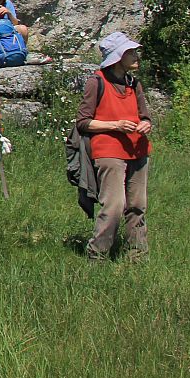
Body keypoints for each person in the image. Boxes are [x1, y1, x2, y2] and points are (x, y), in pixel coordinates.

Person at [77, 32, 152, 262]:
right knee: (114, 206)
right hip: (108, 151)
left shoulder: (134, 83)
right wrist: (115, 125)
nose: (136, 55)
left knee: (137, 206)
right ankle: (97, 254)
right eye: (130, 52)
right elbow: (83, 122)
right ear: (118, 57)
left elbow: (145, 115)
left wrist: (145, 124)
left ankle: (137, 256)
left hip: (138, 150)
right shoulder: (97, 81)